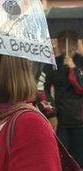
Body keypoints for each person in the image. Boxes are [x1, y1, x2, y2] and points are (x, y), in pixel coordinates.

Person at [43, 30, 83, 167]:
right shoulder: (52, 64)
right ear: (59, 46)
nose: (67, 50)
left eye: (71, 47)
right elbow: (41, 89)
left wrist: (75, 70)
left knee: (79, 160)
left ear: (76, 46)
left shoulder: (81, 61)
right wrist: (51, 113)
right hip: (60, 121)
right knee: (62, 161)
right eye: (63, 45)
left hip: (81, 122)